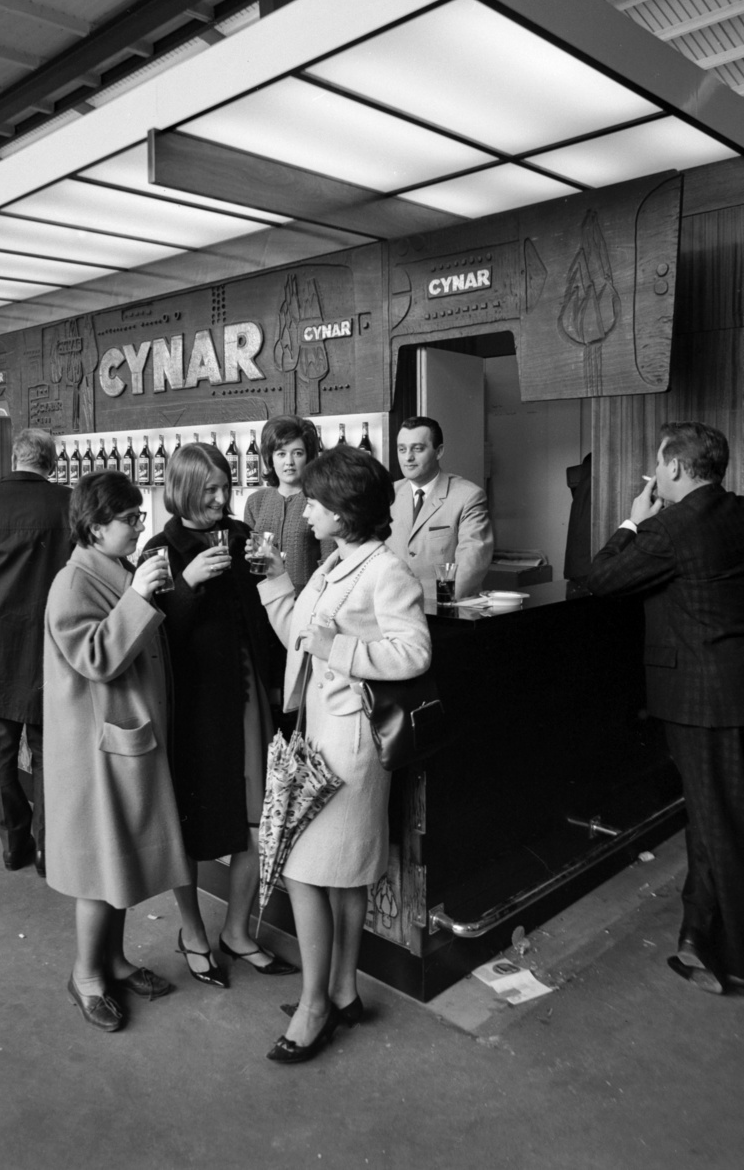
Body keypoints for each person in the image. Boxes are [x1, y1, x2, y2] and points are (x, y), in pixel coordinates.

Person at [589, 423, 744, 998]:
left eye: (659, 464)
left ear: (673, 468)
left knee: (723, 831)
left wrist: (631, 521)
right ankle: (697, 936)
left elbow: (602, 579)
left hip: (706, 707)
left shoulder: (670, 528)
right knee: (715, 820)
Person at [253, 445, 431, 1062]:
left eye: (316, 502)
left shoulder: (385, 569)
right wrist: (277, 577)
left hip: (351, 748)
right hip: (320, 737)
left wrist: (343, 650)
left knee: (306, 871)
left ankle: (315, 1007)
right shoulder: (334, 565)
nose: (304, 511)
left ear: (345, 510)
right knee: (342, 876)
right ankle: (345, 990)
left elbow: (414, 652)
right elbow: (299, 641)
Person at [142, 441, 297, 988]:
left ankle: (236, 929)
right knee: (188, 827)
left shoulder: (239, 535)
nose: (220, 497)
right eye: (208, 489)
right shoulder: (159, 549)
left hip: (249, 694)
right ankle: (191, 931)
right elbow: (153, 639)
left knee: (259, 825)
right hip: (194, 707)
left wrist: (272, 573)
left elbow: (265, 618)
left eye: (224, 486)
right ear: (181, 489)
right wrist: (186, 586)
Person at [44, 471, 191, 1032]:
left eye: (138, 516)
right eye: (130, 519)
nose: (139, 526)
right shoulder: (72, 583)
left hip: (124, 738)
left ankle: (115, 960)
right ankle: (86, 976)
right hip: (97, 750)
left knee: (121, 860)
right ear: (95, 525)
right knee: (100, 867)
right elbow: (96, 658)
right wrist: (139, 597)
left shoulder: (114, 569)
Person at [0, 428, 71, 873]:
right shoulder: (68, 502)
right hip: (49, 642)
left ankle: (12, 843)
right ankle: (48, 848)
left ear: (13, 458)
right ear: (52, 462)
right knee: (49, 751)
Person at [387, 416, 492, 601]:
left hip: (444, 610)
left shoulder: (468, 496)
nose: (408, 457)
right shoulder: (387, 495)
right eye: (402, 449)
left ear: (439, 451)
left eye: (417, 449)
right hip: (392, 609)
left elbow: (471, 564)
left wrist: (440, 610)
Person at [243, 417, 330, 594]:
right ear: (270, 458)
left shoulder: (320, 500)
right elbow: (250, 563)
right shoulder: (256, 502)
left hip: (307, 600)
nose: (289, 462)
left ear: (308, 457)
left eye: (297, 453)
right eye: (281, 454)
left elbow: (330, 562)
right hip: (263, 599)